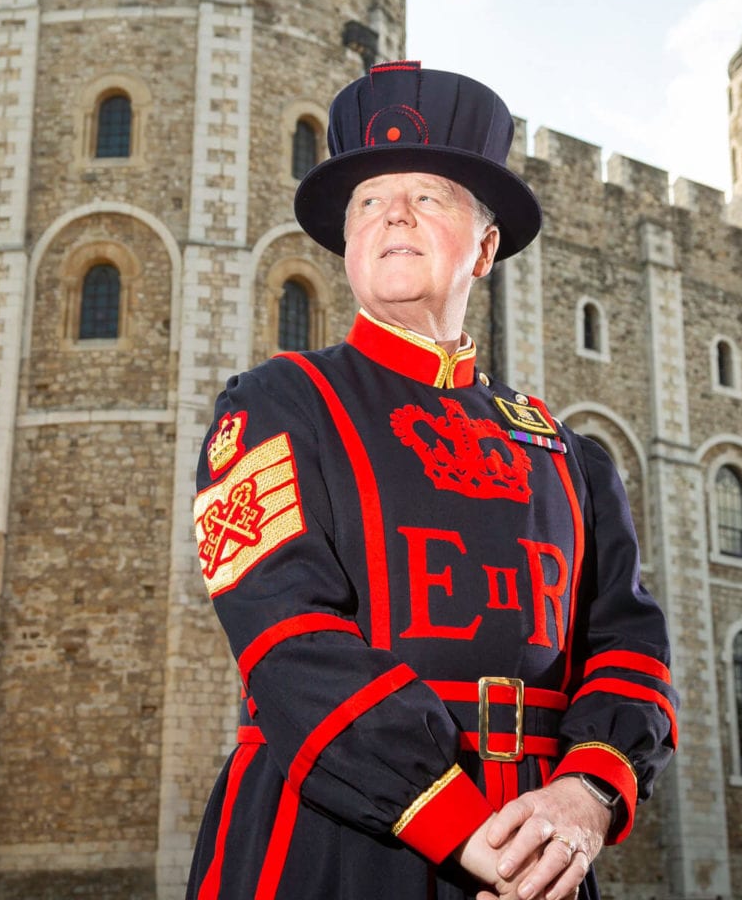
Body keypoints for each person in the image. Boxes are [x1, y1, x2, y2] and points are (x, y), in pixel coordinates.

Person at [185, 62, 677, 900]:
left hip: (543, 848)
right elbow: (285, 639)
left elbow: (628, 645)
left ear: (485, 246)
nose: (395, 217)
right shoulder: (274, 408)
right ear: (347, 241)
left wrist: (589, 794)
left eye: (429, 195)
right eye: (370, 201)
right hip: (330, 841)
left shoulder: (567, 452)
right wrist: (465, 831)